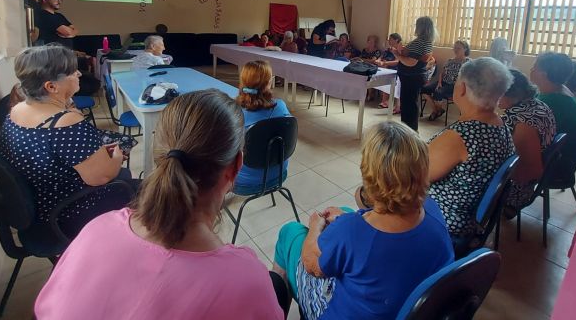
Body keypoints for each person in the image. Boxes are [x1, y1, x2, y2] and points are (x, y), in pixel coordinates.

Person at [34, 90, 285, 320]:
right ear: (236, 166)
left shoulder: (96, 229)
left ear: (159, 152)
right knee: (277, 284)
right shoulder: (244, 279)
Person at [273, 121, 454, 319]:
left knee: (290, 232)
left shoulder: (351, 232)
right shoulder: (433, 211)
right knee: (344, 210)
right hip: (403, 307)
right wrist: (346, 218)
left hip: (339, 311)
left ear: (369, 176)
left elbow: (312, 266)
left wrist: (315, 227)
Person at [0, 45, 133, 236]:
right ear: (51, 86)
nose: (78, 73)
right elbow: (101, 177)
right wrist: (117, 156)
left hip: (39, 203)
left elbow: (51, 154)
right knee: (142, 189)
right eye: (71, 71)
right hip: (65, 213)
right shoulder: (65, 123)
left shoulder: (16, 110)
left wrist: (96, 154)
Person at [427, 57, 515, 237]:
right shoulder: (500, 125)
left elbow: (415, 174)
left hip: (444, 220)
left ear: (463, 88)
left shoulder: (461, 136)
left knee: (369, 193)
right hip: (472, 219)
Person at [499, 69, 557, 213]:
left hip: (516, 190)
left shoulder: (521, 122)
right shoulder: (538, 105)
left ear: (508, 93)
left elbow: (525, 171)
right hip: (530, 182)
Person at [234, 61, 292, 194]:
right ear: (269, 82)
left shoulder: (233, 113)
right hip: (278, 175)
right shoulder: (281, 106)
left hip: (244, 184)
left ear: (243, 81)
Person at [395, 16, 436, 131]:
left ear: (421, 27)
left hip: (411, 78)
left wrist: (396, 54)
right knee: (411, 104)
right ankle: (409, 130)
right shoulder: (427, 41)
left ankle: (409, 132)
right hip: (413, 77)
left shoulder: (420, 42)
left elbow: (411, 62)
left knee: (409, 106)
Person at [529, 52, 576, 137]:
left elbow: (530, 131)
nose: (531, 70)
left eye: (534, 67)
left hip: (558, 148)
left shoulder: (551, 101)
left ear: (543, 74)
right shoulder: (560, 89)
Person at [421, 40, 470, 121]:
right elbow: (442, 73)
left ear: (465, 49)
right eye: (455, 48)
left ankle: (436, 112)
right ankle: (437, 110)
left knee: (438, 92)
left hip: (454, 86)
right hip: (443, 82)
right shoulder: (450, 60)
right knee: (424, 89)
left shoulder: (468, 62)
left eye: (458, 48)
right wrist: (439, 83)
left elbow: (467, 78)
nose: (456, 50)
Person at [377, 33, 402, 114]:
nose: (389, 41)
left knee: (387, 74)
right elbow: (381, 57)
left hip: (397, 69)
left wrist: (385, 63)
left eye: (390, 39)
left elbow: (397, 61)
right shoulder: (389, 49)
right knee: (382, 71)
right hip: (386, 67)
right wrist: (379, 61)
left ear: (396, 40)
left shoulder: (400, 49)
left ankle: (389, 102)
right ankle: (385, 100)